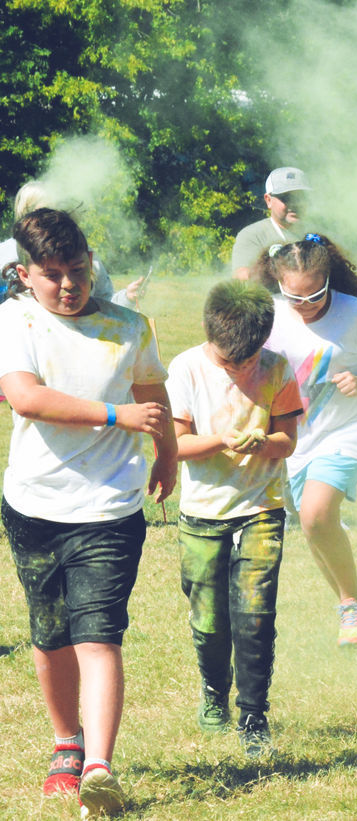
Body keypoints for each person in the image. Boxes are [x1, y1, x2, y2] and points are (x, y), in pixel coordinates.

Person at [0, 209, 176, 816]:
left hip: (110, 506)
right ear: (25, 274)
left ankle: (100, 765)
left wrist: (168, 455)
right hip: (35, 503)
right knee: (50, 636)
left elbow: (154, 395)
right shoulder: (14, 319)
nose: (69, 285)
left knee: (98, 634)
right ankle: (65, 744)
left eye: (78, 270)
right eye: (53, 274)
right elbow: (25, 397)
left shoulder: (129, 327)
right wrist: (113, 416)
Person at [167, 281, 302, 757]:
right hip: (203, 513)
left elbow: (289, 437)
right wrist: (223, 439)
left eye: (248, 360)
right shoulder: (185, 368)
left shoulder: (277, 368)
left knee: (255, 615)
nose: (242, 369)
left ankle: (253, 714)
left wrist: (265, 443)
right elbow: (177, 445)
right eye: (230, 362)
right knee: (208, 620)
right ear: (212, 338)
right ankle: (213, 692)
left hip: (261, 507)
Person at [253, 234, 357, 646]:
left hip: (353, 424)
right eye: (294, 297)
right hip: (299, 434)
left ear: (328, 279)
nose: (305, 305)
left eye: (315, 295)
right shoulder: (271, 314)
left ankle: (351, 604)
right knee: (313, 525)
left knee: (317, 514)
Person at [0, 181, 147, 309]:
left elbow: (104, 305)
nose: (68, 284)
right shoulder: (6, 254)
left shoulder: (83, 253)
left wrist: (127, 297)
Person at [231, 167, 311, 281]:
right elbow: (241, 276)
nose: (294, 204)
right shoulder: (252, 235)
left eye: (300, 197)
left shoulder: (317, 232)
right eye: (286, 198)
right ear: (268, 200)